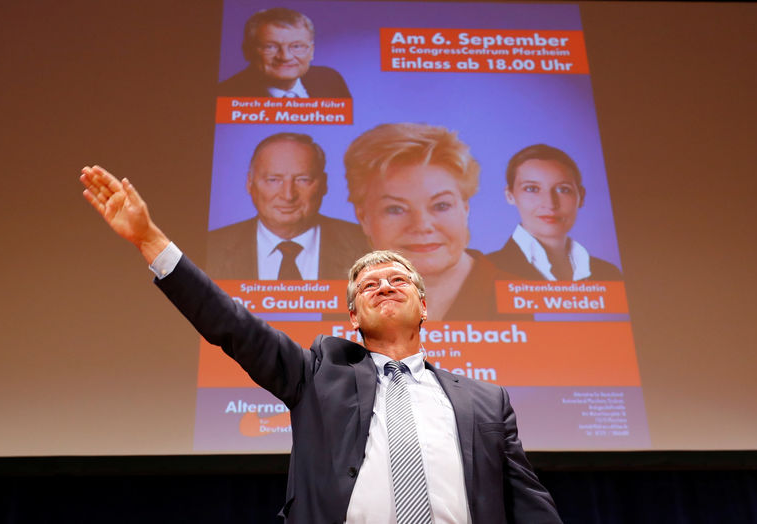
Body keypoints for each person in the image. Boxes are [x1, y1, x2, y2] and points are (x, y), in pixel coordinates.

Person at [79, 165, 563, 523]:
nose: (384, 287)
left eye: (398, 280)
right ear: (352, 316)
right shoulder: (318, 373)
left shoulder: (485, 400)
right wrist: (149, 240)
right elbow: (233, 325)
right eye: (368, 286)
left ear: (424, 306)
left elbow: (529, 502)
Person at [344, 123, 518, 320]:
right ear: (363, 217)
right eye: (395, 209)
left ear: (465, 209)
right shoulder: (345, 302)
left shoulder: (517, 296)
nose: (422, 226)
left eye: (441, 206)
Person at [207, 132, 368, 280]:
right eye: (273, 180)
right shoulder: (212, 248)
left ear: (324, 184)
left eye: (303, 179)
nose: (288, 195)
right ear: (250, 183)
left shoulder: (366, 244)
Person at [487, 144, 622, 281]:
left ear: (581, 197)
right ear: (510, 196)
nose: (550, 204)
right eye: (532, 189)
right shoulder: (485, 272)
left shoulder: (608, 274)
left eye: (563, 190)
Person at [218, 7, 351, 98]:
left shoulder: (330, 80)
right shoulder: (225, 93)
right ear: (247, 51)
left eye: (297, 46)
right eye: (270, 47)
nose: (285, 57)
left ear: (311, 51)